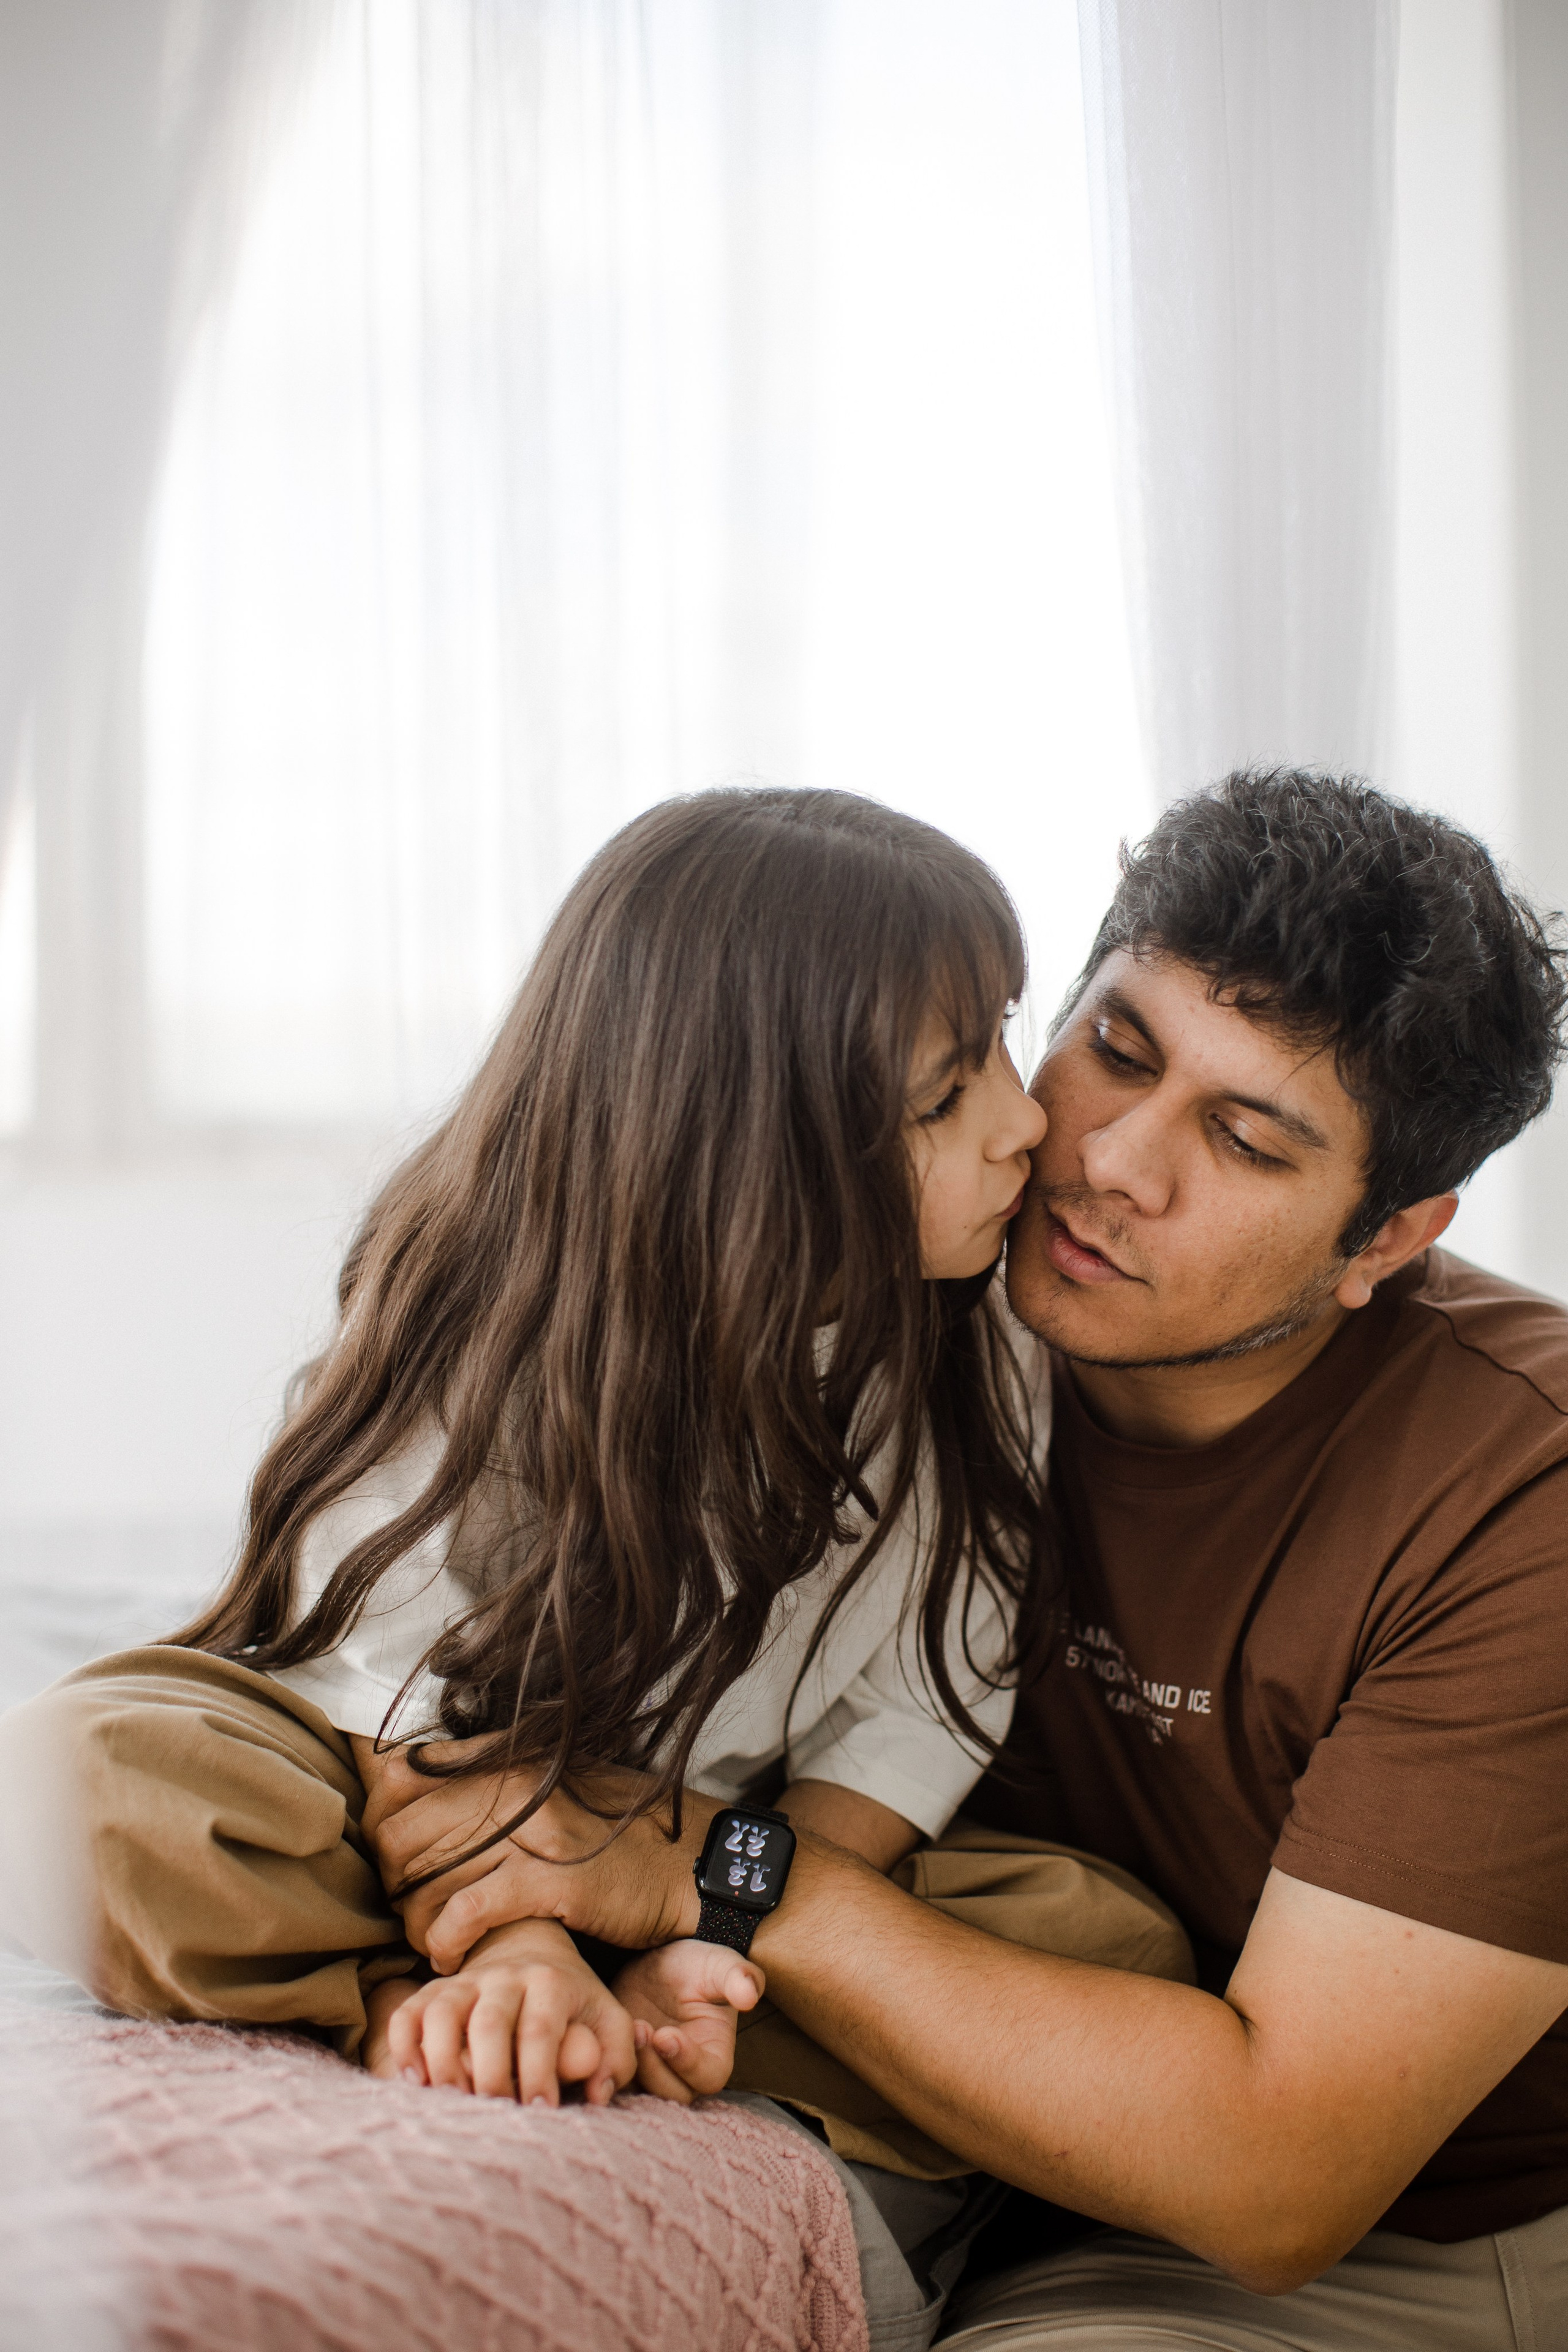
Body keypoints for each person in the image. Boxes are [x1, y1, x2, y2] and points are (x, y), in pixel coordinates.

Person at [373, 773, 1568, 2350]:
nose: (1107, 1166)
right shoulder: (902, 1262)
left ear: (1385, 1242)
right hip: (906, 2088)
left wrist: (700, 1865)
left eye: (1246, 1142)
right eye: (1114, 1051)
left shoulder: (1518, 1489)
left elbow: (1276, 2177)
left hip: (1331, 2236)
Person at [0, 787, 1187, 2142]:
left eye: (997, 1042)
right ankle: (427, 2006)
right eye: (942, 1093)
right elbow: (391, 1701)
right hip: (397, 1792)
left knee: (1109, 1945)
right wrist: (518, 1948)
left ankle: (656, 2004)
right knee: (84, 1778)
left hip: (710, 1841)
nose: (1020, 1124)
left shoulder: (985, 1336)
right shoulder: (484, 1329)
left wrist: (719, 1912)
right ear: (744, 1150)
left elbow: (921, 1706)